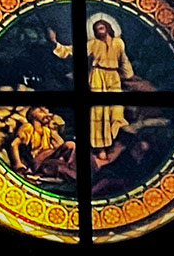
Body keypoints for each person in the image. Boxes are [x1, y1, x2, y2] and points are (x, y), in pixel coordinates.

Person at [49, 15, 135, 160]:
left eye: (101, 27)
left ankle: (114, 142)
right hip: (97, 77)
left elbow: (123, 59)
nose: (99, 31)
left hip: (113, 77)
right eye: (96, 29)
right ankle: (100, 148)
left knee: (116, 111)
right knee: (98, 113)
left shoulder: (118, 43)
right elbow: (74, 51)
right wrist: (55, 43)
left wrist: (128, 75)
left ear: (108, 28)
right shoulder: (93, 44)